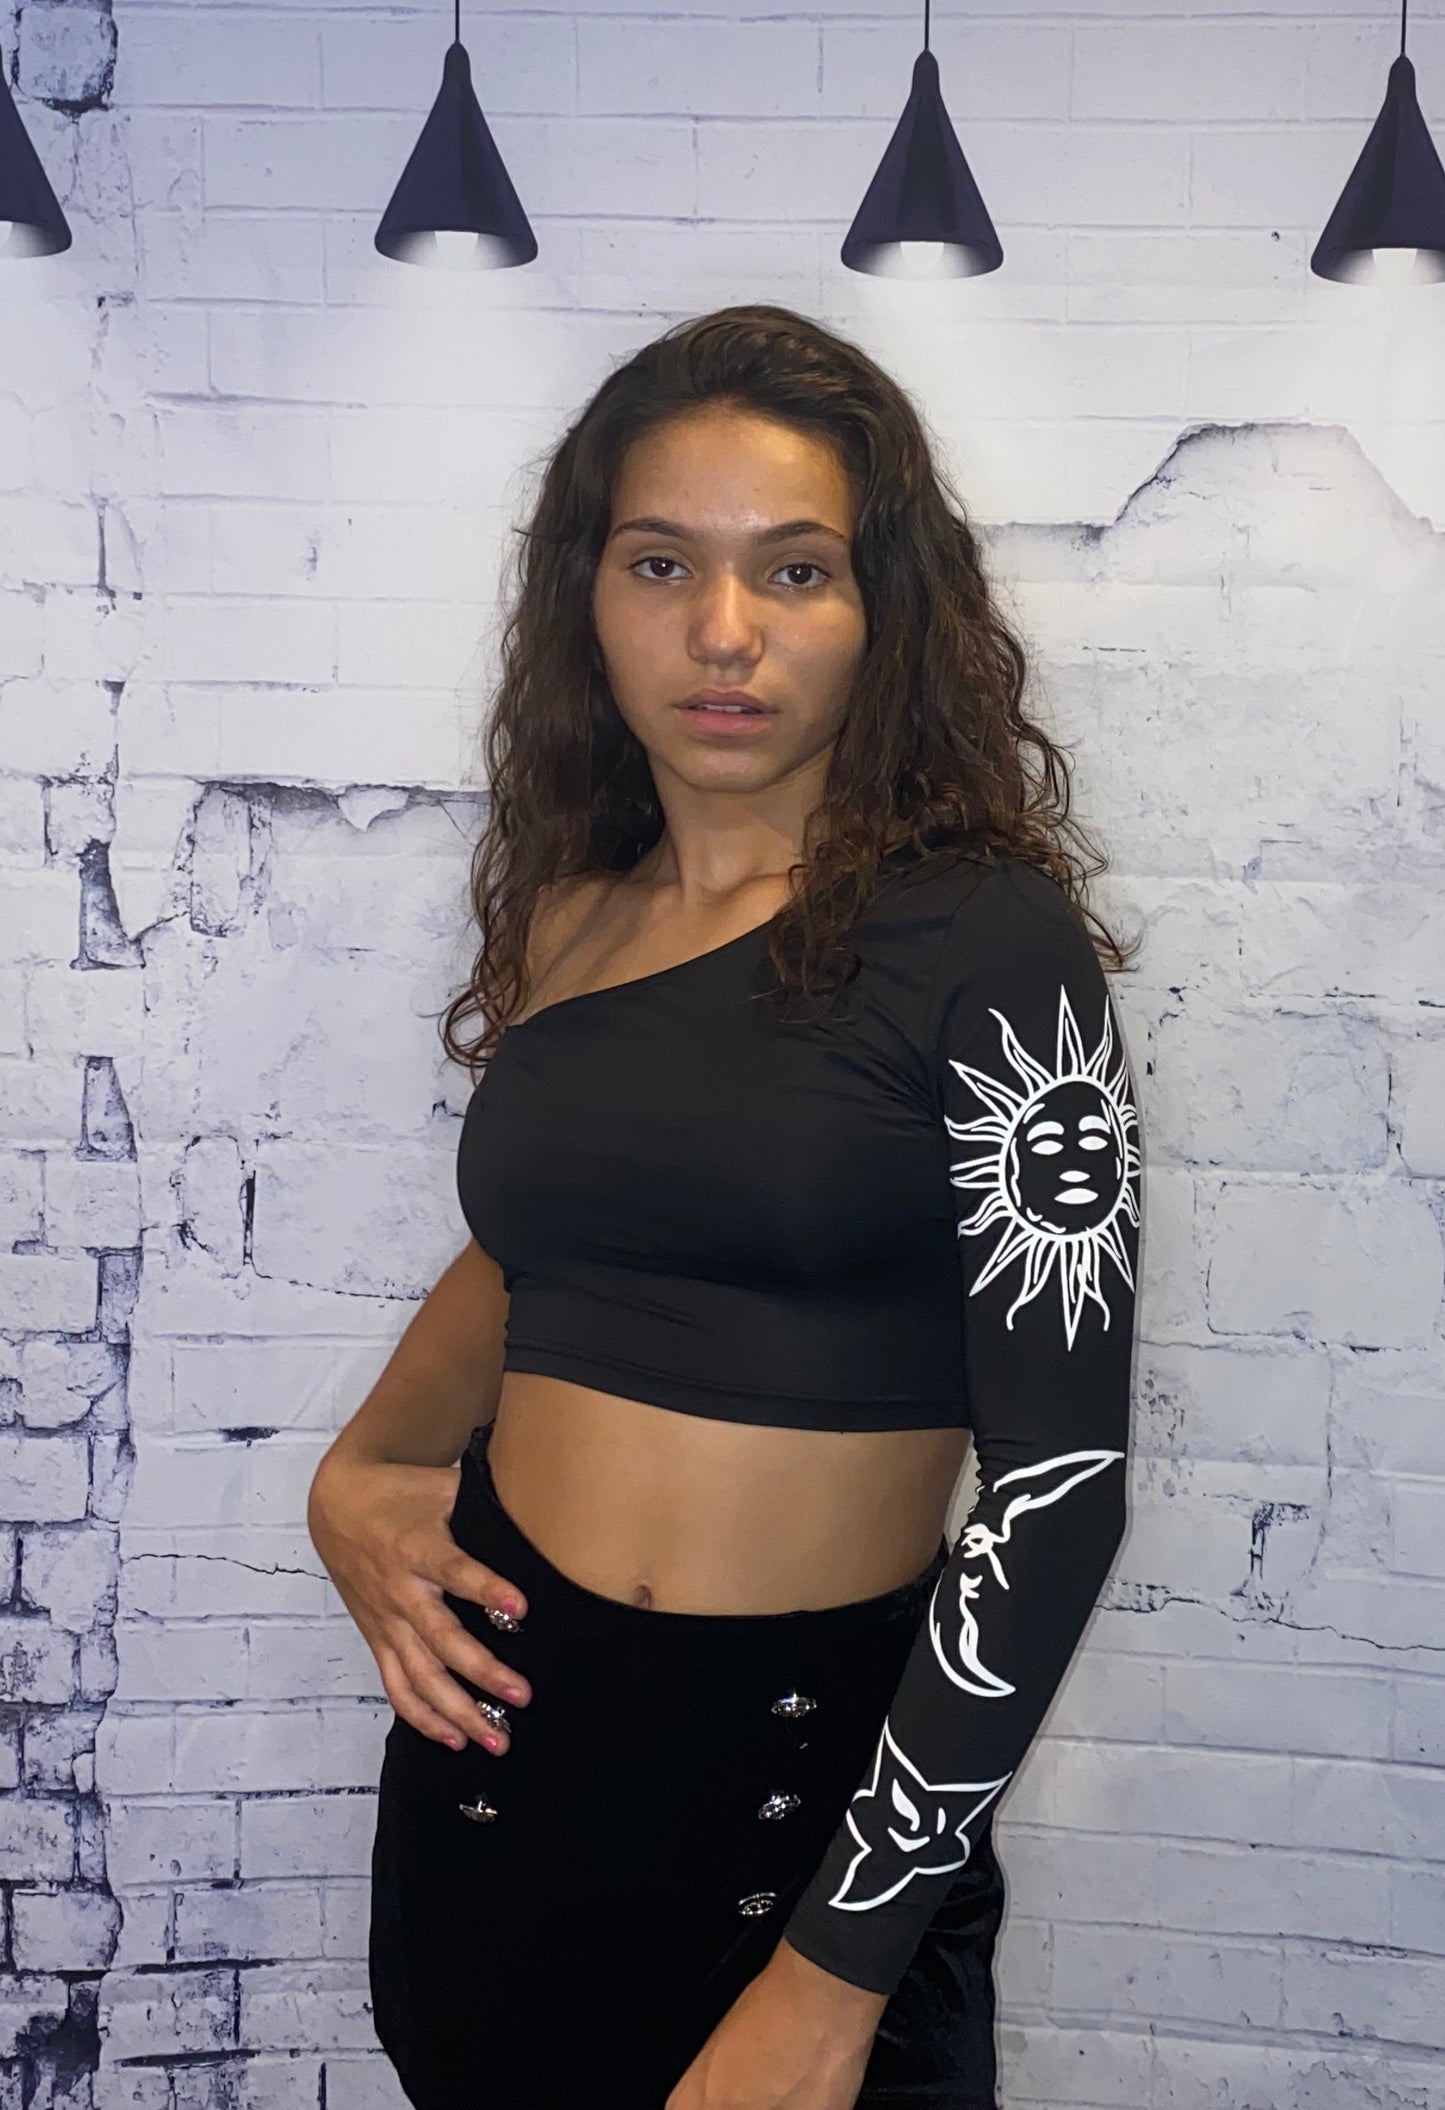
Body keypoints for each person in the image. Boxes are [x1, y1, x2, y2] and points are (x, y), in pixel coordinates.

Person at [307, 303, 1145, 2110]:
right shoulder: (569, 917)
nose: (722, 632)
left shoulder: (986, 941)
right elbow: (540, 1242)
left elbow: (1057, 1489)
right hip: (500, 1774)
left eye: (794, 569)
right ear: (585, 594)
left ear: (882, 607)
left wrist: (830, 1986)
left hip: (811, 1821)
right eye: (662, 562)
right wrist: (359, 1468)